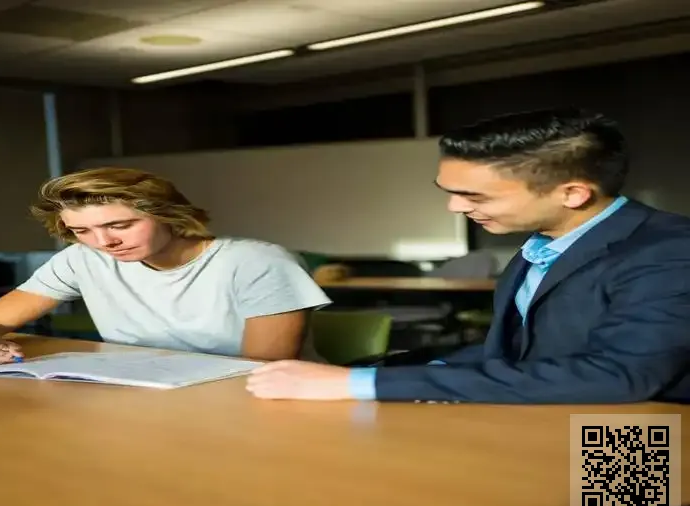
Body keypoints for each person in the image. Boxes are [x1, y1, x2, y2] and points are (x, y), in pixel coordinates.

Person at [246, 107, 690, 404]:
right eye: (451, 191)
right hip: (550, 420)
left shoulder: (670, 251)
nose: (455, 207)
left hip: (638, 431)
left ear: (572, 193)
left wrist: (362, 384)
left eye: (474, 195)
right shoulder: (541, 245)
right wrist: (372, 372)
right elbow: (519, 355)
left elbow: (617, 377)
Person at [0, 167, 331, 366]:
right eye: (81, 230)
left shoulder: (257, 262)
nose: (104, 243)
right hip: (147, 398)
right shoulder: (82, 258)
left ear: (168, 215)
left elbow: (260, 370)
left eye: (121, 225)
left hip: (254, 403)